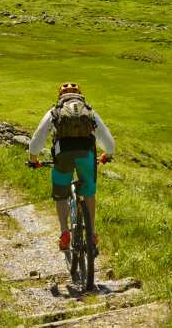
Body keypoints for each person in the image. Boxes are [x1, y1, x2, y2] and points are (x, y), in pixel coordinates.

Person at [26, 82, 116, 253]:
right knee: (89, 191)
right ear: (80, 94)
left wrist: (33, 159)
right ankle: (91, 233)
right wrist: (107, 155)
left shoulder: (54, 111)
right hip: (86, 153)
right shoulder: (90, 111)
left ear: (60, 96)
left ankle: (64, 231)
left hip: (63, 154)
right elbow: (108, 141)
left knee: (61, 192)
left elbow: (38, 137)